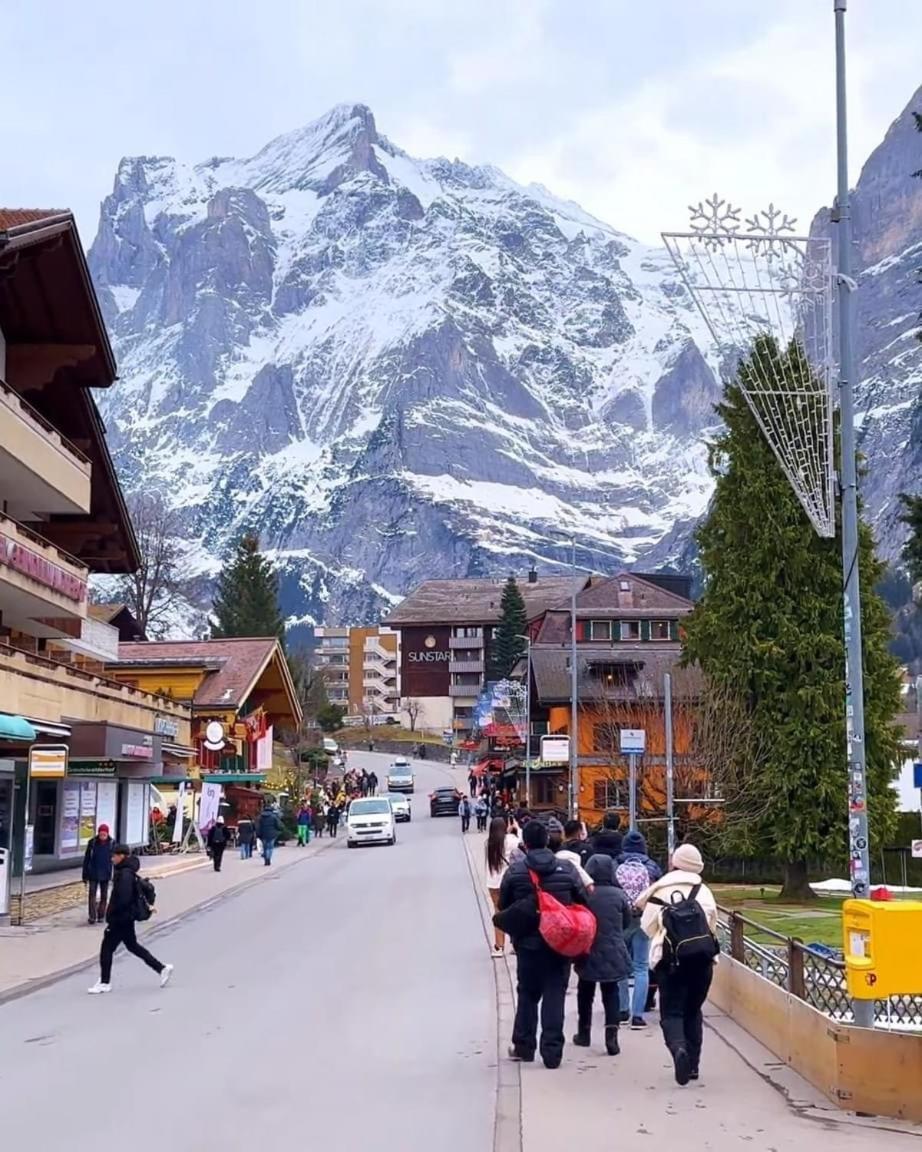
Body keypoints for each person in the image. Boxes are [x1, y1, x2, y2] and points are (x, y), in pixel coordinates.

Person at [498, 819, 586, 1069]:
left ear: (525, 843)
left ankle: (524, 1046)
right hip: (560, 943)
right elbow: (582, 899)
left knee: (527, 993)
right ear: (547, 841)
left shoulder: (515, 871)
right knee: (555, 994)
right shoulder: (566, 868)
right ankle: (552, 1052)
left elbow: (503, 906)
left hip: (528, 944)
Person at [636, 842, 719, 1085]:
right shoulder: (703, 891)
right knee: (693, 1010)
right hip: (702, 960)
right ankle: (693, 1065)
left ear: (674, 863)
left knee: (671, 1011)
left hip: (670, 962)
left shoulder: (661, 889)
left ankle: (678, 1049)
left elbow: (646, 926)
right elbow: (713, 923)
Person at [88, 844, 173, 994]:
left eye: (114, 855)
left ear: (122, 856)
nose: (112, 858)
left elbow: (123, 898)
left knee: (106, 948)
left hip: (120, 919)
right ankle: (161, 968)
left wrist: (113, 914)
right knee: (133, 946)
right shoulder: (126, 871)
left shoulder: (125, 874)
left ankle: (104, 982)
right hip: (126, 918)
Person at [573, 854, 632, 1055]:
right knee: (611, 991)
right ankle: (611, 1036)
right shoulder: (619, 895)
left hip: (587, 948)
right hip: (613, 948)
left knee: (585, 992)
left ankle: (584, 1032)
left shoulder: (584, 893)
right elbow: (626, 922)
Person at [616, 829, 663, 1027]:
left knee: (621, 968)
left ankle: (622, 1010)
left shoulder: (615, 864)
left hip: (621, 920)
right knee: (641, 967)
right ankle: (638, 1015)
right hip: (643, 921)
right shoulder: (652, 867)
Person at [485, 816, 521, 956]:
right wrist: (516, 829)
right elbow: (522, 842)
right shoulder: (511, 840)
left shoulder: (489, 843)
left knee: (498, 912)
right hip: (508, 882)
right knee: (514, 911)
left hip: (493, 882)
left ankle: (499, 947)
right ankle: (516, 944)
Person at [547, 817, 594, 891]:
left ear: (564, 832)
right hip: (583, 887)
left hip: (563, 886)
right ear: (579, 831)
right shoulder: (588, 848)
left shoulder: (559, 850)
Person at [82, 823, 114, 925]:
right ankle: (92, 916)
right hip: (93, 872)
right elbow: (86, 859)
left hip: (106, 872)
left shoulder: (112, 843)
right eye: (101, 833)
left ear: (107, 834)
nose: (102, 835)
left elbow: (115, 860)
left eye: (104, 834)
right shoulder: (92, 843)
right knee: (92, 895)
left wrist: (115, 874)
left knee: (104, 896)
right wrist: (85, 875)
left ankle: (101, 915)